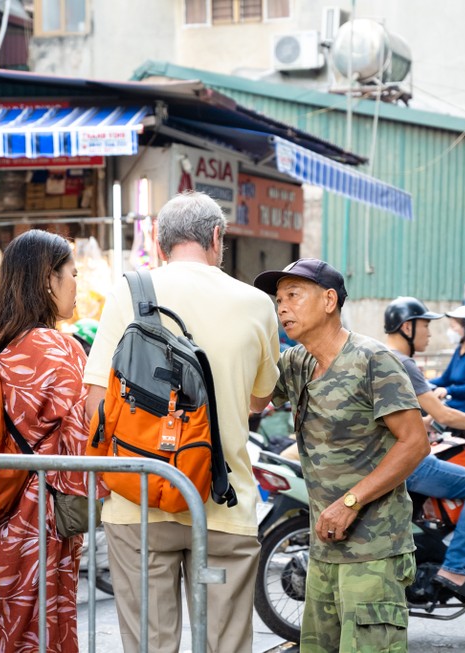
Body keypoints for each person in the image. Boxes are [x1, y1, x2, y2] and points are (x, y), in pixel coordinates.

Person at [83, 191, 280, 653]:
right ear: (217, 237)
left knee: (151, 646)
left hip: (138, 503)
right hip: (222, 505)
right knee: (224, 644)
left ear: (158, 239)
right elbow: (259, 399)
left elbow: (96, 402)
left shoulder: (129, 293)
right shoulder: (256, 303)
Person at [252, 258, 430, 653]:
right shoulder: (297, 362)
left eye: (293, 296)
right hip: (324, 549)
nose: (282, 307)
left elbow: (415, 442)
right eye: (278, 300)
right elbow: (253, 400)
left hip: (374, 552)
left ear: (329, 300)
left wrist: (351, 502)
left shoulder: (373, 360)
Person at [0, 229, 100, 653]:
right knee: (37, 632)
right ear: (48, 280)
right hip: (35, 522)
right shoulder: (62, 350)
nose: (77, 285)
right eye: (72, 274)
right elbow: (80, 445)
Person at [384, 296, 465, 601]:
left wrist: (420, 422)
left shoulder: (377, 356)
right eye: (426, 326)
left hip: (382, 457)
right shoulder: (404, 362)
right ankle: (455, 568)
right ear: (408, 327)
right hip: (406, 461)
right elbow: (445, 415)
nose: (431, 333)